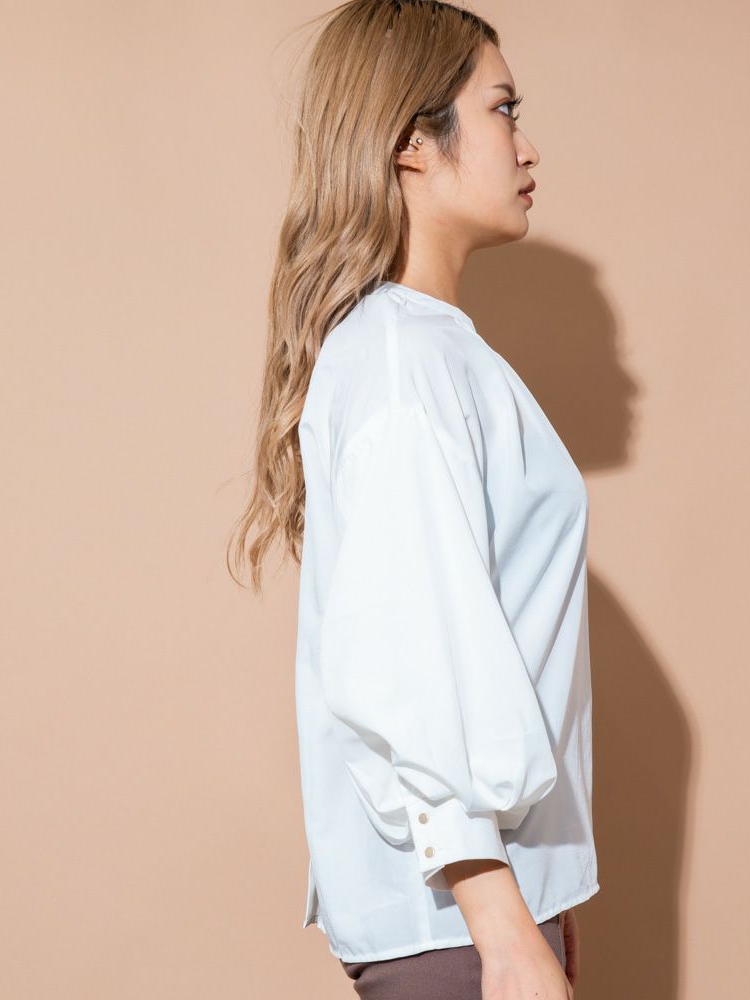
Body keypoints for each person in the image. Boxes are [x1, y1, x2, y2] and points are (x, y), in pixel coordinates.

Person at [228, 2, 599, 996]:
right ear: (411, 143)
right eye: (502, 110)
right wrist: (504, 931)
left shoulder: (425, 352)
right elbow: (409, 663)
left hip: (487, 909)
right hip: (464, 921)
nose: (526, 145)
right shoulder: (402, 364)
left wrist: (530, 916)